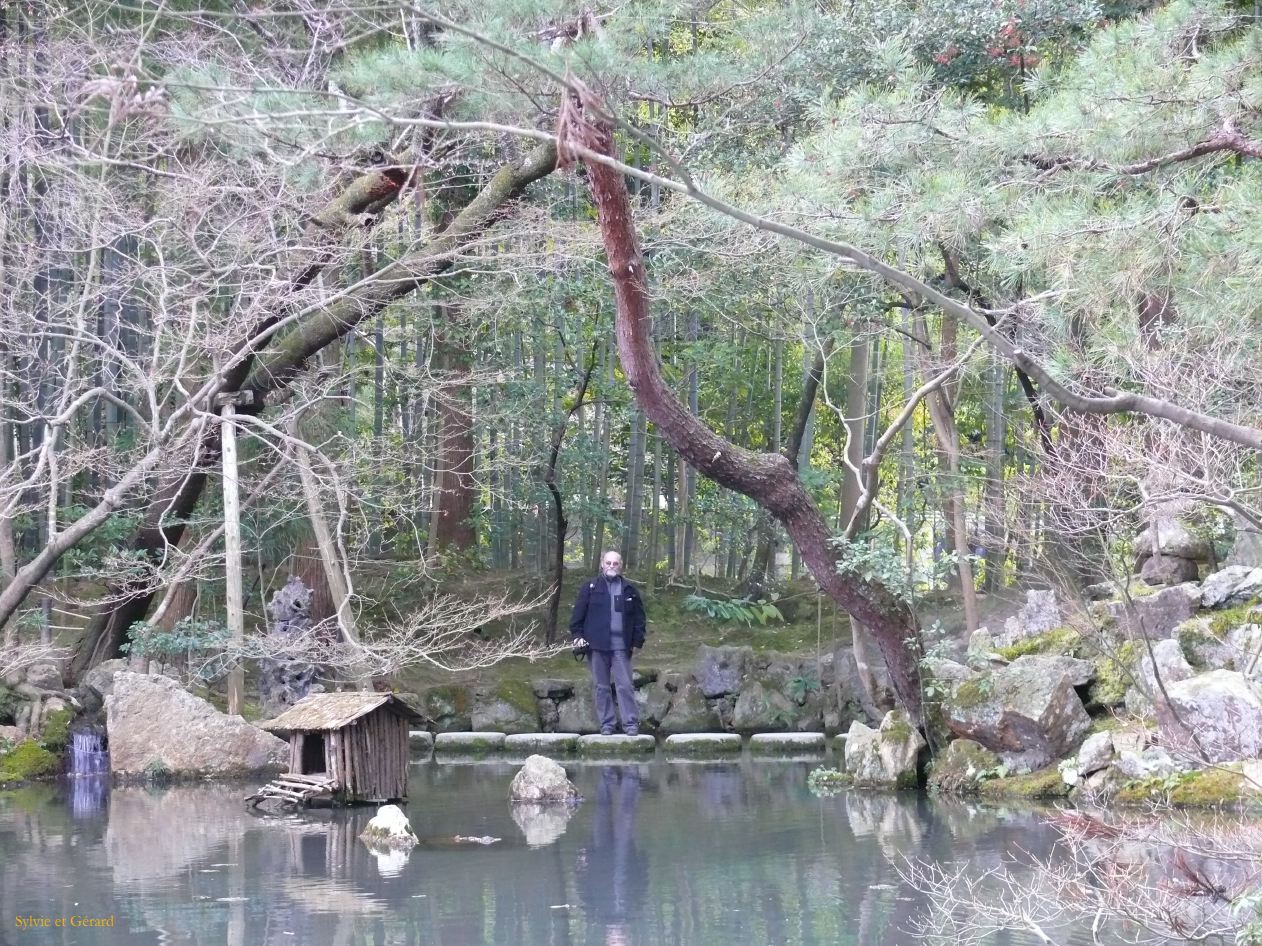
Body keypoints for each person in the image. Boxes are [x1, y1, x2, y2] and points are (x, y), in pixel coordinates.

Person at [569, 550, 646, 736]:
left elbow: (639, 619)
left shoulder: (630, 590)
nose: (611, 566)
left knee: (625, 686)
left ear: (621, 566)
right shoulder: (590, 587)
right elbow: (577, 616)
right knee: (601, 686)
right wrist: (578, 635)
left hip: (621, 647)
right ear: (602, 564)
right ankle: (607, 724)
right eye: (608, 563)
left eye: (615, 563)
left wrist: (637, 641)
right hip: (596, 646)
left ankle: (630, 724)